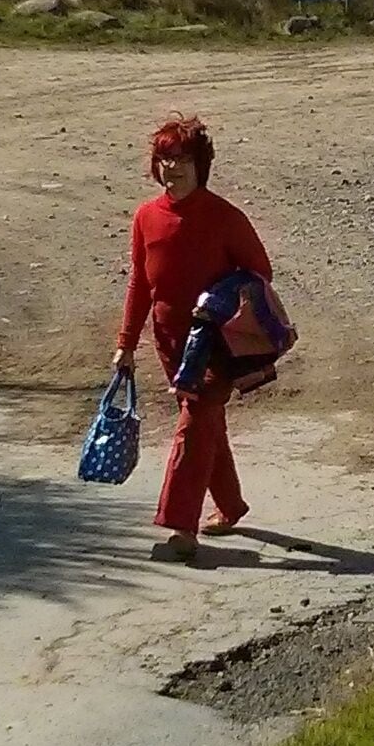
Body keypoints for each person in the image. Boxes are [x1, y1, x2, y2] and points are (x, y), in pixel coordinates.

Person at [114, 114, 274, 554]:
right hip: (169, 342)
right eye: (165, 159)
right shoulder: (147, 217)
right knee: (204, 422)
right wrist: (126, 344)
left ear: (200, 164)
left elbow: (261, 273)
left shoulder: (225, 217)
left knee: (193, 423)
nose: (172, 168)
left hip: (216, 345)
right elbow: (140, 284)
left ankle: (180, 527)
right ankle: (231, 505)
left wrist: (219, 304)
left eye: (182, 159)